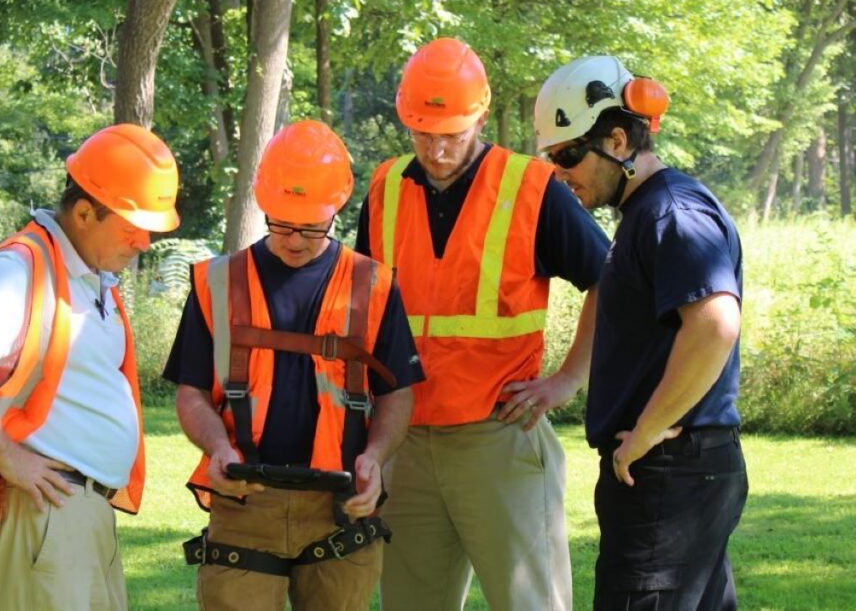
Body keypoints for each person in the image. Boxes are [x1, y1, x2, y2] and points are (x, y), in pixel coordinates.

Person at [355, 37, 611, 611]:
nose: (438, 149)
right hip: (405, 442)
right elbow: (364, 308)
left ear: (482, 116)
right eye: (423, 133)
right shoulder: (384, 188)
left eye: (451, 134)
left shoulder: (533, 187)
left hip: (499, 438)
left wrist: (567, 379)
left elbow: (612, 280)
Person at [0, 123, 180, 610]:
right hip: (48, 513)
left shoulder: (90, 274)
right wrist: (7, 454)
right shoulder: (21, 269)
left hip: (80, 513)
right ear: (83, 212)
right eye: (133, 227)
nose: (143, 243)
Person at [165, 119, 423, 610]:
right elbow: (191, 392)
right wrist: (217, 445)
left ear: (337, 207)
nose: (295, 240)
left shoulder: (374, 285)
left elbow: (397, 391)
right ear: (263, 203)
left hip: (341, 506)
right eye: (281, 224)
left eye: (310, 227)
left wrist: (377, 456)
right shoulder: (216, 283)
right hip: (243, 502)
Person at [533, 55, 748, 610]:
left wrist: (650, 430)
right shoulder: (646, 215)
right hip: (679, 477)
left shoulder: (669, 213)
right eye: (553, 157)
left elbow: (716, 324)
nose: (560, 171)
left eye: (568, 154)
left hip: (668, 476)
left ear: (619, 141)